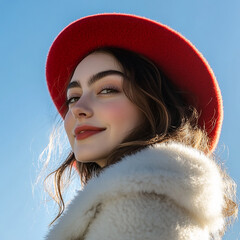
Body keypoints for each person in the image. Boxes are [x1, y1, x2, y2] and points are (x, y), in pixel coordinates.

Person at [43, 13, 237, 240]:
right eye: (73, 98)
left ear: (155, 106)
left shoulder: (143, 209)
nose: (77, 109)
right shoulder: (137, 204)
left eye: (107, 90)